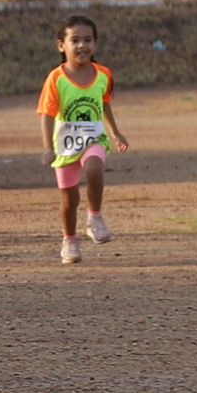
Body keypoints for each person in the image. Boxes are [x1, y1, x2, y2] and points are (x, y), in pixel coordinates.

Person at [38, 15, 129, 264]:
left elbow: (104, 105)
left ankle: (95, 217)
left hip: (94, 137)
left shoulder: (103, 75)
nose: (82, 45)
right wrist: (47, 148)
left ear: (95, 44)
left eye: (88, 40)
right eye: (75, 40)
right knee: (69, 200)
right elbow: (46, 114)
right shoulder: (56, 78)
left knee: (94, 167)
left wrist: (115, 132)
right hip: (66, 144)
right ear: (61, 45)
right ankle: (69, 240)